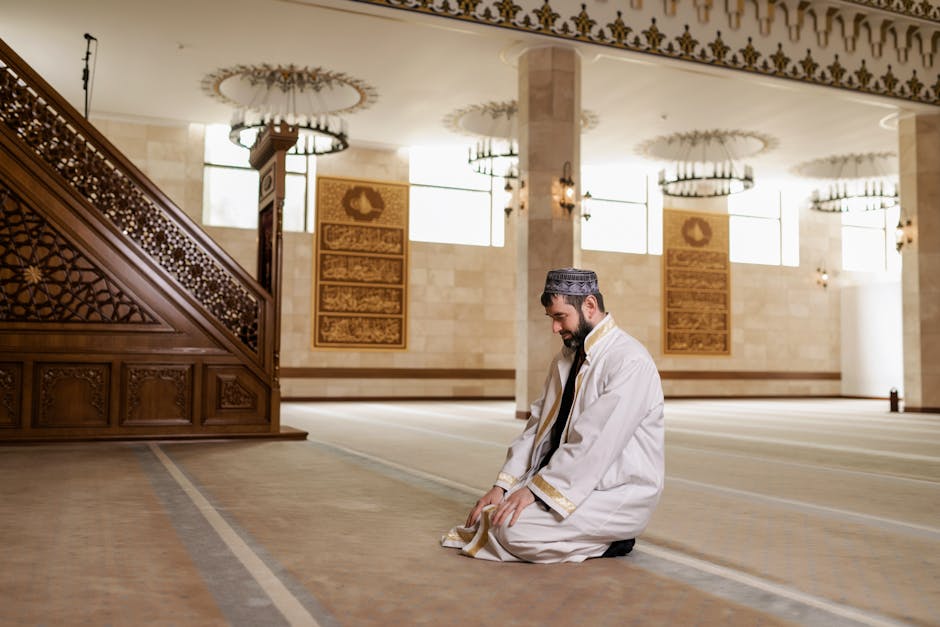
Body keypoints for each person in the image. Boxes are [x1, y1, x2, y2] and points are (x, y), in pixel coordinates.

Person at [441, 268, 664, 563]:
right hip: (570, 481)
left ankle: (614, 541)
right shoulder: (566, 358)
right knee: (494, 515)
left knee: (512, 531)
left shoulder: (629, 361)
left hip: (616, 493)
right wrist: (503, 486)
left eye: (560, 317)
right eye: (552, 319)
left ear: (589, 306)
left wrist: (533, 491)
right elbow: (537, 429)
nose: (555, 328)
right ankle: (571, 530)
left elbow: (594, 445)